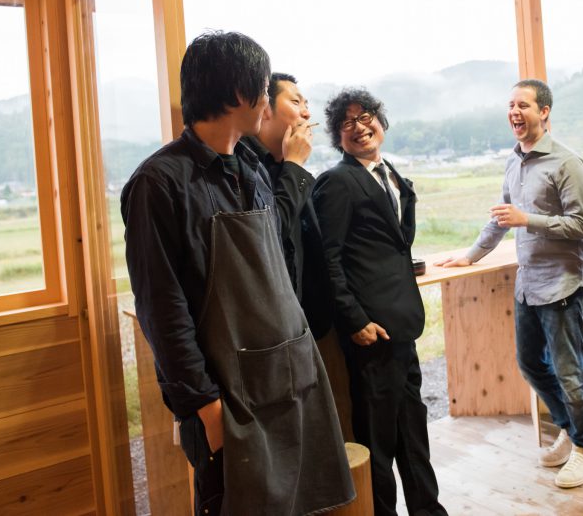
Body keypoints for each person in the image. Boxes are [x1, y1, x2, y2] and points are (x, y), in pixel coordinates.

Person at [120, 31, 354, 516]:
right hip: (228, 400)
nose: (267, 101)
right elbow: (162, 309)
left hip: (288, 380)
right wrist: (205, 407)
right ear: (237, 93)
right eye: (264, 90)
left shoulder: (250, 168)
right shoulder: (159, 182)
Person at [435, 78, 583, 489]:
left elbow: (581, 225)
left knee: (570, 372)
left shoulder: (568, 163)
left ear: (544, 112)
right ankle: (570, 430)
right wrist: (470, 255)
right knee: (530, 364)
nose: (514, 112)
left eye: (523, 105)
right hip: (528, 284)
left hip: (563, 285)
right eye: (510, 105)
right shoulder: (514, 162)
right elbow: (501, 219)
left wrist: (527, 220)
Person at [312, 88, 447, 516]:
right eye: (346, 123)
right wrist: (355, 320)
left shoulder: (389, 175)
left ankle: (429, 510)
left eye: (365, 116)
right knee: (378, 442)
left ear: (380, 121)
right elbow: (327, 259)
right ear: (337, 137)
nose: (359, 127)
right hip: (372, 331)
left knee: (414, 432)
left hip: (402, 325)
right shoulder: (337, 181)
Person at [240, 72, 333, 339]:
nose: (306, 113)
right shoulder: (245, 166)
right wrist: (294, 163)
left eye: (306, 104)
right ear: (265, 108)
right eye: (295, 102)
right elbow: (270, 235)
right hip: (270, 330)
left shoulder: (288, 165)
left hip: (307, 323)